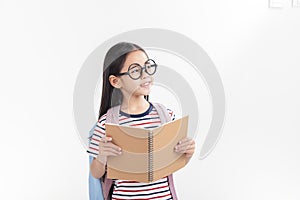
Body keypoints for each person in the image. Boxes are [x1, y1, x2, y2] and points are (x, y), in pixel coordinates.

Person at [87, 42, 195, 200]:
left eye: (147, 67)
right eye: (135, 70)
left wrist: (188, 152)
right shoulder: (107, 123)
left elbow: (176, 162)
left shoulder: (165, 116)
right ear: (116, 81)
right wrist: (102, 156)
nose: (145, 75)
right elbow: (96, 173)